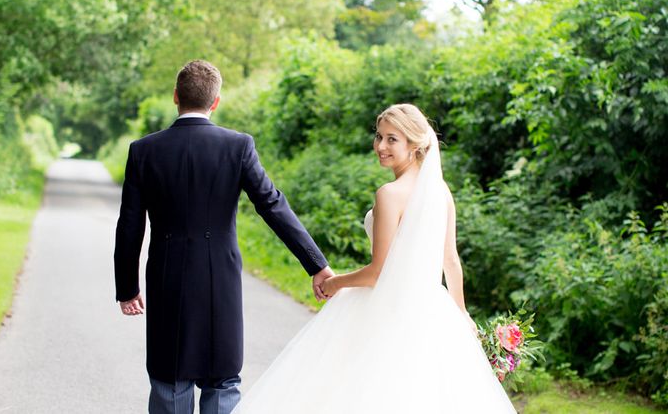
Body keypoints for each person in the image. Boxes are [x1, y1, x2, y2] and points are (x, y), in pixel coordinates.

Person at [232, 104, 517, 413]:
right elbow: (450, 260)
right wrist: (460, 313)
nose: (380, 146)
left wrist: (336, 283)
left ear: (415, 143)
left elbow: (379, 272)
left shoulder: (390, 194)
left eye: (392, 139)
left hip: (389, 310)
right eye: (379, 136)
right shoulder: (441, 190)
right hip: (433, 307)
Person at [114, 59, 333, 414]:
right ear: (215, 102)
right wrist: (316, 264)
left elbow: (129, 223)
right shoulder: (238, 146)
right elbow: (273, 206)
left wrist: (127, 286)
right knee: (223, 377)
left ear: (175, 97)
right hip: (221, 278)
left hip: (166, 276)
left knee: (170, 377)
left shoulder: (144, 150)